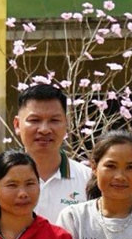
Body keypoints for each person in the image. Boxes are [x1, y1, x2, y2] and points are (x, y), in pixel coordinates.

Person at [9, 82, 93, 218]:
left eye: (54, 120)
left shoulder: (88, 181)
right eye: (35, 120)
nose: (44, 129)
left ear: (67, 124)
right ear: (17, 125)